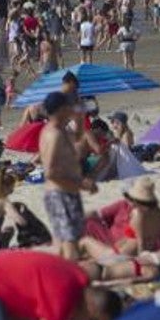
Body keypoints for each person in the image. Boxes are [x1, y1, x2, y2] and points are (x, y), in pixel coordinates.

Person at [39, 91, 93, 260]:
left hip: (66, 192)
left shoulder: (59, 130)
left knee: (68, 241)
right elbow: (50, 172)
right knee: (69, 243)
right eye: (68, 107)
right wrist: (80, 184)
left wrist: (79, 118)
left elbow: (77, 138)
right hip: (60, 193)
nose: (71, 108)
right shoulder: (53, 134)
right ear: (61, 109)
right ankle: (72, 279)